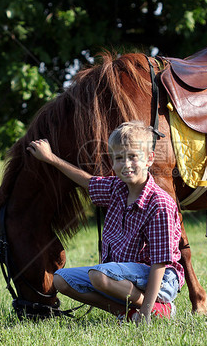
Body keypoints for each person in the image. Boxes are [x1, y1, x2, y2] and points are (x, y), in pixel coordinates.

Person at [27, 121, 184, 324]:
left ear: (149, 159)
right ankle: (125, 313)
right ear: (112, 162)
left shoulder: (159, 203)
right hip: (119, 275)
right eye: (119, 158)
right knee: (61, 279)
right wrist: (50, 158)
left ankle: (155, 309)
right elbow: (86, 180)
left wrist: (146, 311)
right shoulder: (116, 189)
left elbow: (159, 262)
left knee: (98, 276)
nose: (126, 164)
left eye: (133, 157)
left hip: (160, 279)